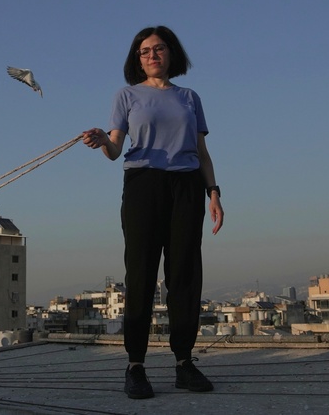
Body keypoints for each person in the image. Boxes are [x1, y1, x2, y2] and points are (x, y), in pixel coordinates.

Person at [82, 25, 224, 399]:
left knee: (184, 274)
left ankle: (184, 362)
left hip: (186, 186)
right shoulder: (126, 96)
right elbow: (114, 151)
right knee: (141, 273)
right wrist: (101, 142)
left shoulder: (189, 97)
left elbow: (202, 154)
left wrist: (214, 193)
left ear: (171, 53)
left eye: (159, 49)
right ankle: (136, 365)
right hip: (144, 185)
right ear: (137, 59)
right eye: (144, 51)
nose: (152, 56)